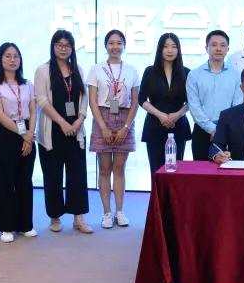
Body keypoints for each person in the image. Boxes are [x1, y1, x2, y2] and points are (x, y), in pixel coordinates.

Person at [34, 30, 92, 234]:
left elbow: (84, 97)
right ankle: (55, 217)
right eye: (59, 44)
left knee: (78, 175)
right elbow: (42, 100)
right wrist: (62, 123)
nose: (63, 48)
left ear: (72, 48)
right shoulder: (43, 70)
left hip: (76, 130)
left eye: (67, 45)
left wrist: (80, 120)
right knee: (53, 176)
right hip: (52, 132)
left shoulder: (77, 69)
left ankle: (79, 218)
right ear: (53, 46)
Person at [0, 43, 37, 243]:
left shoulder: (27, 84)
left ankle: (25, 225)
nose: (12, 60)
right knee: (5, 183)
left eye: (16, 56)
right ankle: (6, 227)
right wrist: (24, 135)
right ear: (0, 59)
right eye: (7, 56)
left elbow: (33, 110)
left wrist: (29, 134)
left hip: (27, 133)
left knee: (24, 181)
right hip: (5, 135)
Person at [87, 30, 139, 229]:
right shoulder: (96, 69)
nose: (115, 47)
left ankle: (120, 211)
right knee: (104, 168)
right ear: (106, 46)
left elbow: (135, 102)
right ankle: (106, 213)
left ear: (124, 45)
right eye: (111, 43)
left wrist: (126, 127)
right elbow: (93, 101)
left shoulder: (131, 70)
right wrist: (103, 127)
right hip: (102, 117)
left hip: (125, 118)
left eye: (119, 43)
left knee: (119, 168)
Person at [139, 33, 191, 174]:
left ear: (178, 50)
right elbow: (141, 99)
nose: (170, 50)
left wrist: (177, 115)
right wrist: (160, 115)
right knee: (156, 170)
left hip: (178, 126)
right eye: (166, 46)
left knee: (175, 170)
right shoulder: (150, 71)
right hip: (154, 126)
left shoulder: (186, 72)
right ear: (160, 49)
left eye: (174, 46)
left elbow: (191, 101)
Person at [186, 30, 243, 160]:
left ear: (228, 49)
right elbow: (194, 106)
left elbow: (237, 104)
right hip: (201, 130)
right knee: (201, 170)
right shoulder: (194, 75)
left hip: (229, 131)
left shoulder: (236, 74)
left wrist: (222, 129)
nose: (218, 49)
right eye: (214, 45)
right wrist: (212, 129)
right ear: (206, 48)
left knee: (227, 170)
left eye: (223, 45)